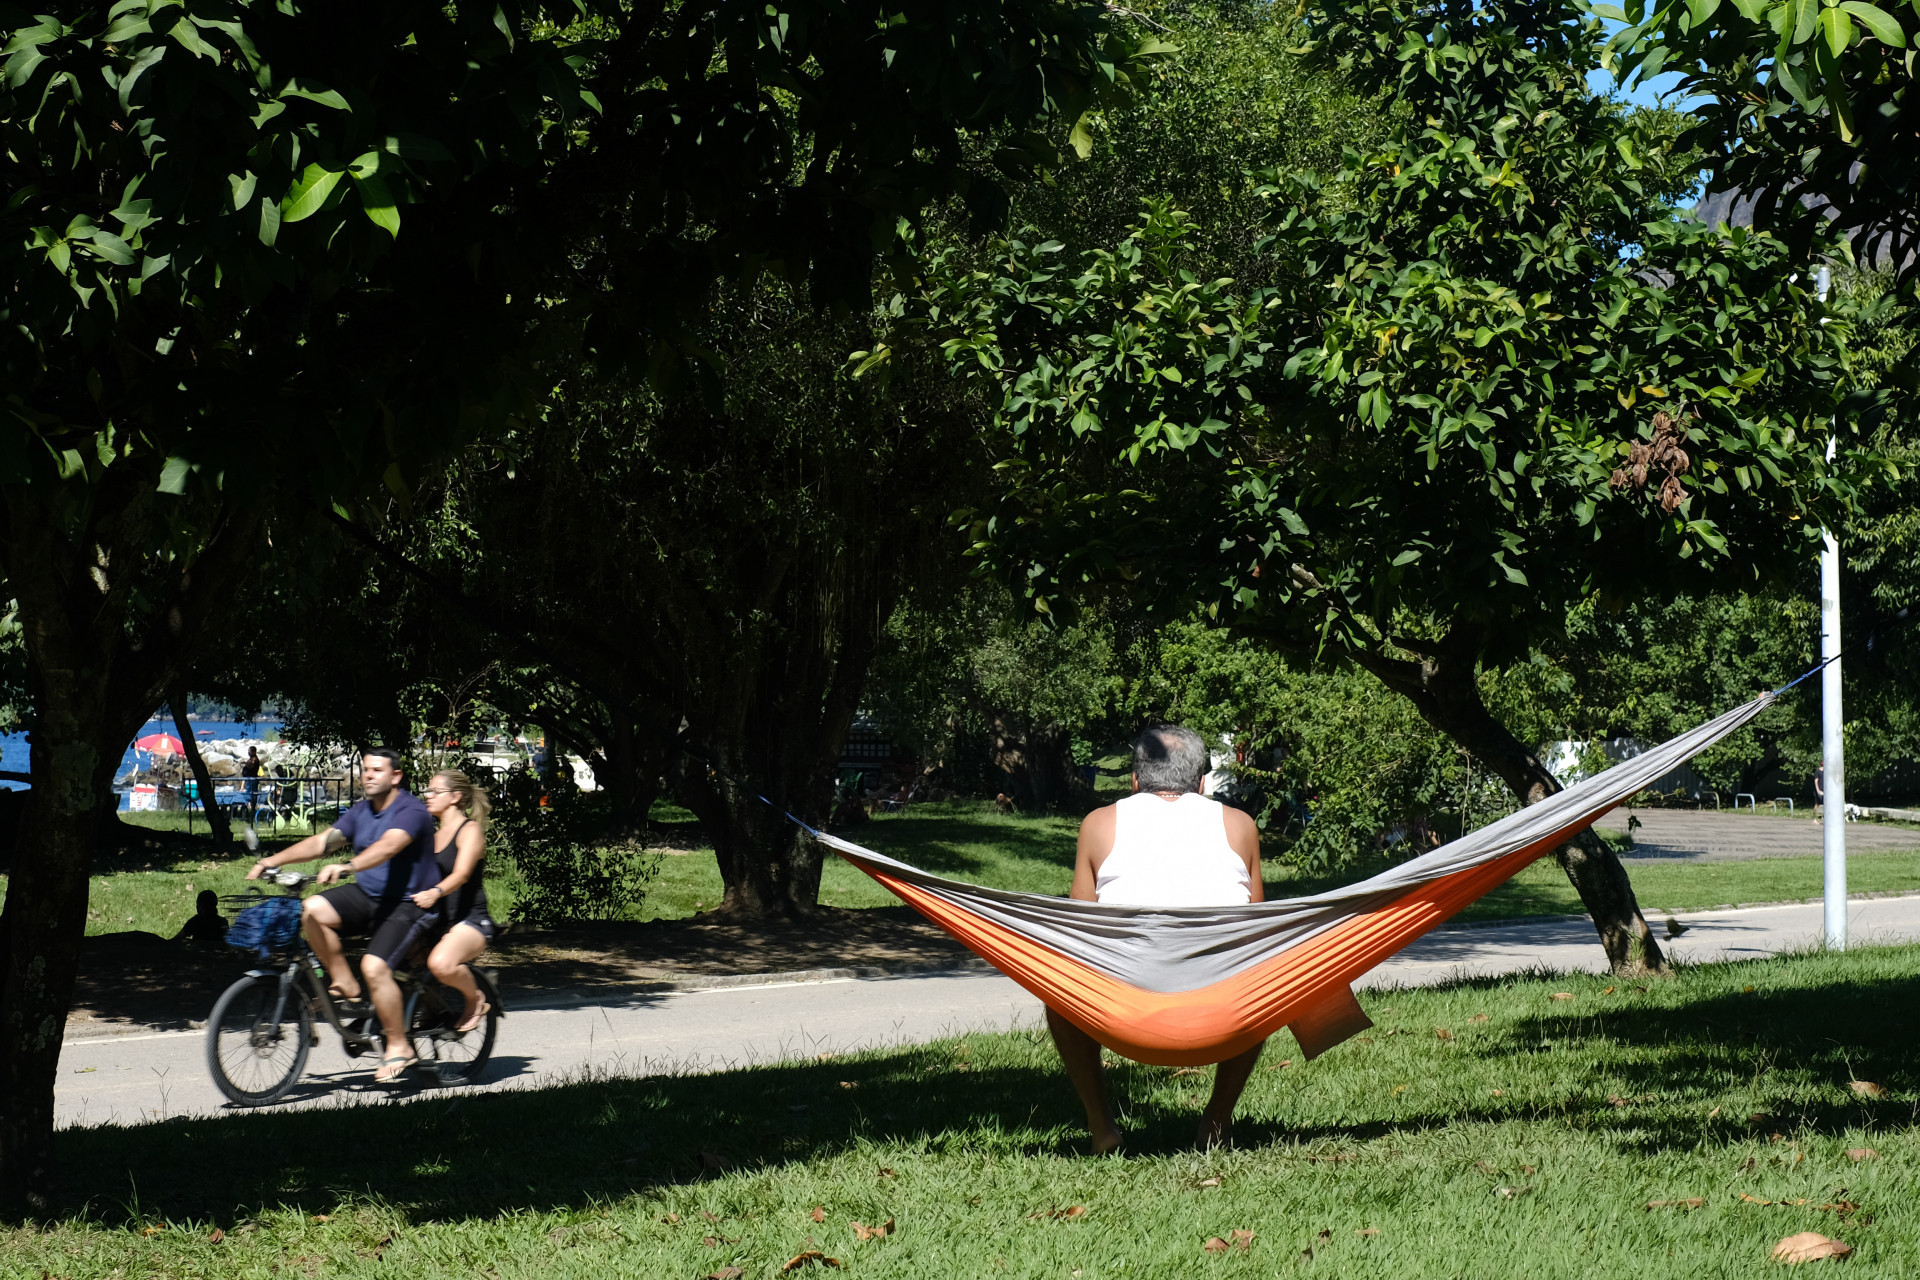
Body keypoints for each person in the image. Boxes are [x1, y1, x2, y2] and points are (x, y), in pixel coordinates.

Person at [1048, 724, 1266, 1154]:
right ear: (1202, 784)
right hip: (1223, 1015)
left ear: (1134, 782)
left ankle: (1102, 1128)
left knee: (1060, 995)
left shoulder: (1099, 823)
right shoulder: (1239, 825)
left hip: (1124, 1014)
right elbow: (1257, 930)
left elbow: (1080, 930)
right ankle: (1216, 1123)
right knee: (1264, 977)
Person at [246, 748, 437, 1083]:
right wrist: (271, 862)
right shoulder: (361, 811)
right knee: (312, 910)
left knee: (374, 967)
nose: (368, 775)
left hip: (408, 903)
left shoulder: (411, 811)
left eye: (377, 770)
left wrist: (348, 865)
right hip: (369, 897)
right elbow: (323, 843)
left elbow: (388, 846)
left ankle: (399, 1045)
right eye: (365, 769)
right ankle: (344, 982)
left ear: (396, 776)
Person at [407, 769, 497, 1032]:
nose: (428, 796)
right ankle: (430, 1009)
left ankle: (475, 999)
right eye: (427, 791)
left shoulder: (470, 831)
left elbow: (461, 874)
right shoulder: (431, 838)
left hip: (470, 921)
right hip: (437, 920)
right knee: (393, 955)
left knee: (440, 964)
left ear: (455, 797)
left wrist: (435, 892)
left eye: (435, 791)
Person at [242, 746, 261, 813]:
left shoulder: (254, 759)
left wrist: (246, 766)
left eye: (249, 751)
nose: (248, 752)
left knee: (251, 794)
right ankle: (249, 808)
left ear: (253, 752)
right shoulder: (251, 759)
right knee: (249, 794)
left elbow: (251, 768)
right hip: (249, 779)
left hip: (252, 779)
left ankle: (252, 809)